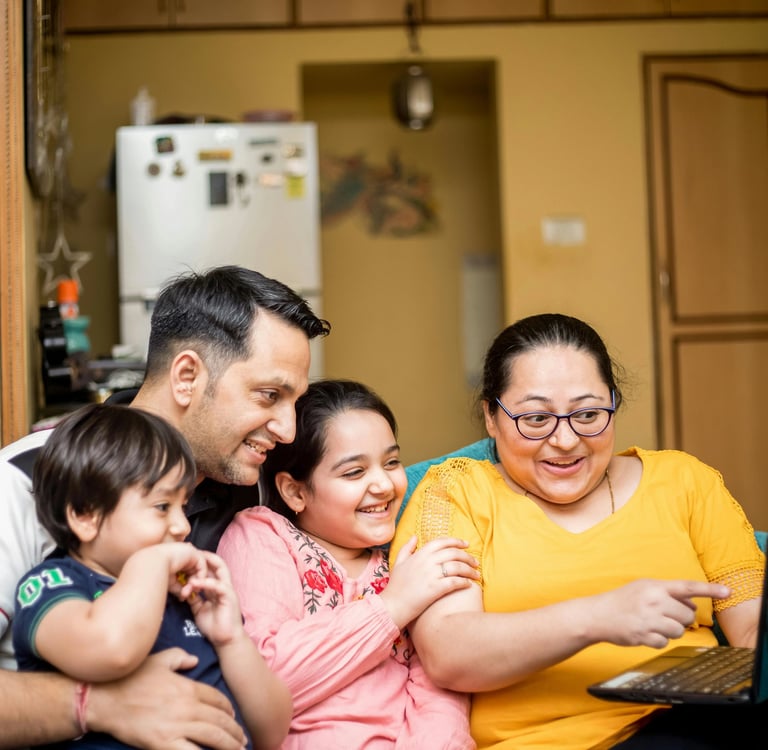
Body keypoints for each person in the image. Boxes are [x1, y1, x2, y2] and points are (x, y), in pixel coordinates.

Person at [390, 312, 766, 750]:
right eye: (536, 419)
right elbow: (448, 654)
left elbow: (752, 632)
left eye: (588, 414)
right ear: (491, 417)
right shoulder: (455, 493)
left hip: (694, 723)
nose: (566, 441)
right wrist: (597, 616)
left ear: (613, 403)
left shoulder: (685, 482)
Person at [0, 265, 330, 749]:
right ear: (187, 376)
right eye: (269, 395)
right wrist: (98, 705)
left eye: (294, 403)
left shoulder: (253, 493)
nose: (288, 430)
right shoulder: (24, 481)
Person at [217, 379, 480, 749]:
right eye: (354, 472)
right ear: (295, 491)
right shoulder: (264, 537)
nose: (384, 485)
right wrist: (393, 606)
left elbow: (440, 695)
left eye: (391, 462)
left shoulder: (407, 561)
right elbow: (266, 682)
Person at [13, 403, 292, 750]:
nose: (183, 525)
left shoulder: (188, 596)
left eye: (183, 506)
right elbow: (111, 650)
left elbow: (272, 732)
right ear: (85, 516)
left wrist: (231, 638)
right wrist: (151, 566)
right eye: (162, 507)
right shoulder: (53, 585)